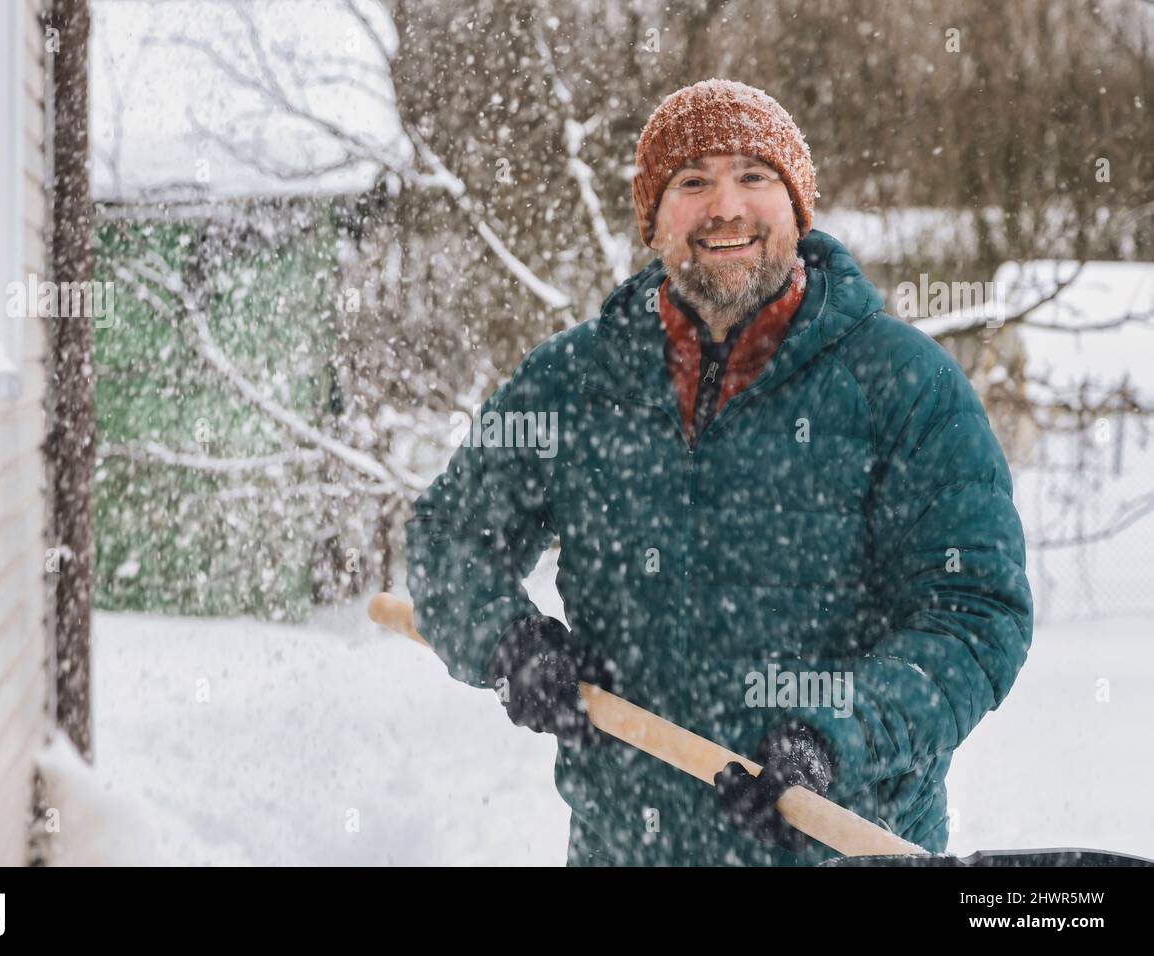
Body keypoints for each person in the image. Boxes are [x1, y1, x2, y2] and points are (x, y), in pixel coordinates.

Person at [405, 78, 1033, 866]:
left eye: (753, 177)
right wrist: (510, 644)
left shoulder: (903, 386)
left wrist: (833, 736)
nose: (724, 207)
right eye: (691, 182)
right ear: (653, 219)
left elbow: (975, 613)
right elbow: (449, 537)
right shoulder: (572, 385)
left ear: (797, 207)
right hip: (627, 849)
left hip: (838, 849)